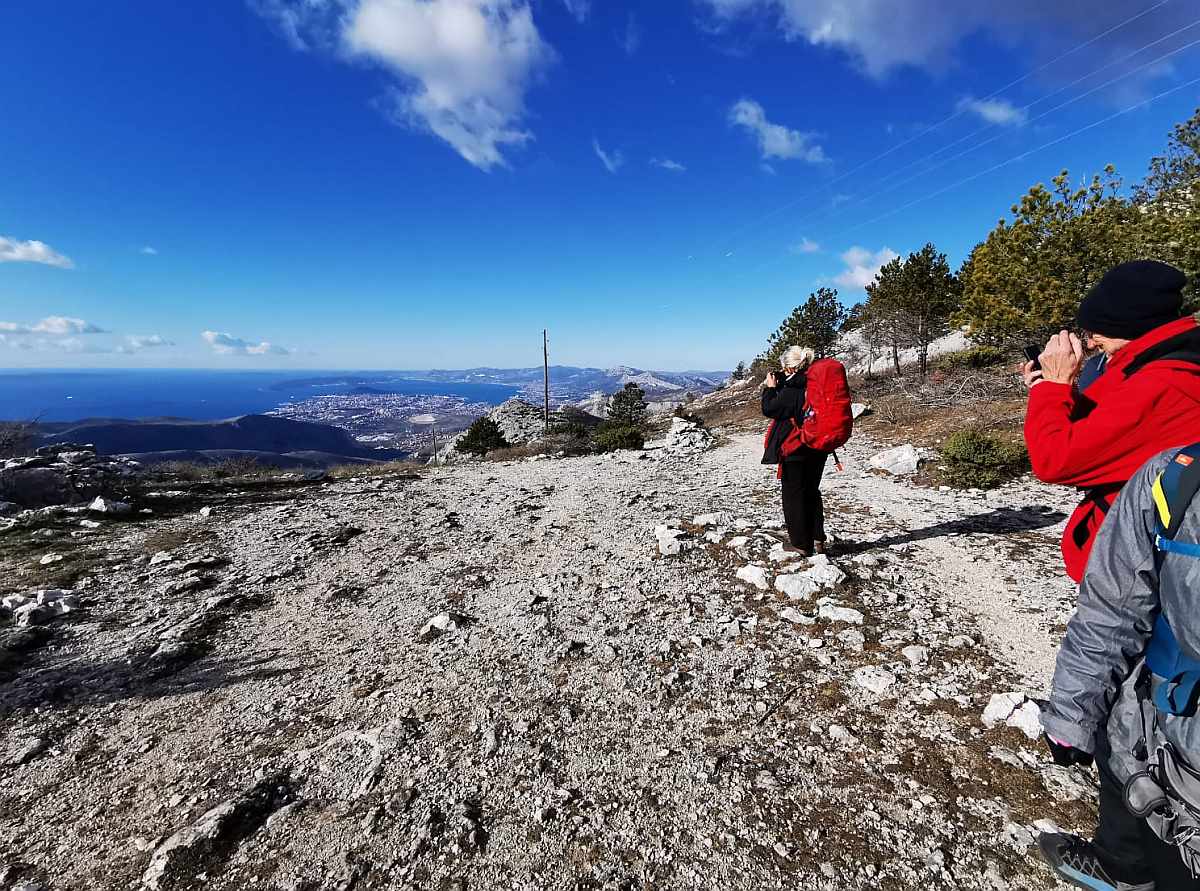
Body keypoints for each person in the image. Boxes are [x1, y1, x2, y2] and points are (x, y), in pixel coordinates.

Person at [1038, 444, 1200, 890]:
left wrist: (1054, 391)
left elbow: (1059, 457)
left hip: (1178, 759)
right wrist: (1074, 715)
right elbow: (1112, 608)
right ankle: (1119, 867)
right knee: (1121, 765)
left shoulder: (1176, 471)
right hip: (1156, 737)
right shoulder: (1176, 476)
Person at [1024, 260, 1200, 582]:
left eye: (1096, 330)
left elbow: (1054, 459)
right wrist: (1050, 387)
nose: (1090, 342)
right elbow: (1098, 426)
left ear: (1130, 324)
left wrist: (1054, 387)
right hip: (1138, 550)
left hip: (1137, 568)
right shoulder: (1153, 362)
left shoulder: (1164, 384)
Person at [761, 346, 827, 556]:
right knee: (811, 491)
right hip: (819, 445)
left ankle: (800, 544)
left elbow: (770, 408)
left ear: (789, 368)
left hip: (796, 447)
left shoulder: (793, 389)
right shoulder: (816, 383)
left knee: (793, 496)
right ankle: (817, 538)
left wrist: (770, 388)